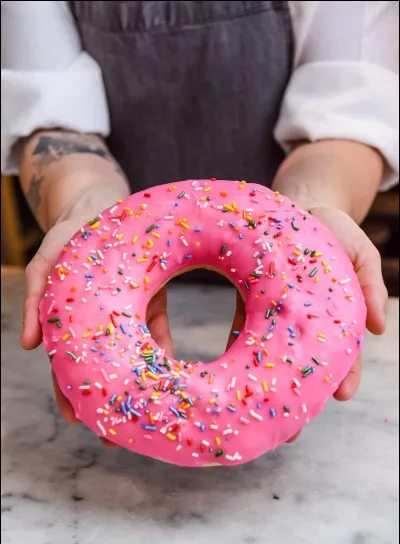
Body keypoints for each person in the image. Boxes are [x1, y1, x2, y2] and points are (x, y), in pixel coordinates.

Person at [2, 1, 398, 448]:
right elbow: (48, 107)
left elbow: (349, 108)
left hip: (285, 245)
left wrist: (312, 207)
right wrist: (84, 207)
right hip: (112, 249)